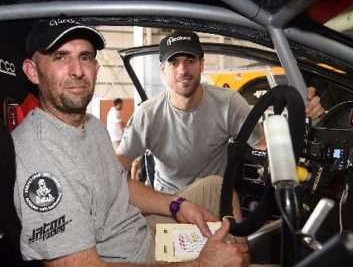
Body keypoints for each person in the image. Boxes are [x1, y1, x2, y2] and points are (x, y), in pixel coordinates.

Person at [12, 18, 353, 267]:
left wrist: (176, 204)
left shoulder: (86, 124)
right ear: (33, 71)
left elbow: (118, 183)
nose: (77, 70)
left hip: (142, 236)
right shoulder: (40, 158)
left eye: (86, 56)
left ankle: (231, 254)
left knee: (218, 186)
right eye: (60, 57)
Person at [117, 30, 326, 196]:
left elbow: (264, 146)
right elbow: (119, 165)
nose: (182, 70)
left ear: (201, 64)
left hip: (213, 200)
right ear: (162, 70)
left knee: (240, 249)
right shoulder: (148, 114)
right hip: (170, 204)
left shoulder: (228, 102)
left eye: (190, 61)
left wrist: (304, 116)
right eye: (174, 62)